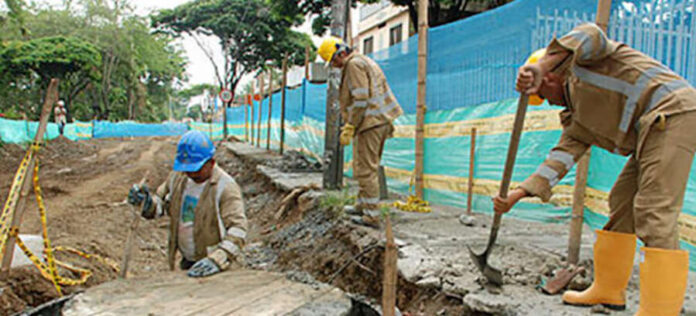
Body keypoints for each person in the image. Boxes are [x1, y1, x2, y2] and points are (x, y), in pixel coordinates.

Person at [493, 23, 696, 315]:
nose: (548, 103)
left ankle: (660, 311)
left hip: (673, 111)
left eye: (543, 95)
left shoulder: (587, 61)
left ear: (550, 77)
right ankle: (609, 290)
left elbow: (590, 32)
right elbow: (559, 161)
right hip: (651, 130)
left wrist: (543, 63)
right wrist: (517, 194)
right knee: (621, 203)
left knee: (655, 212)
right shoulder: (576, 119)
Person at [128, 130, 247, 278]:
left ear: (211, 162)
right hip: (188, 261)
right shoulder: (178, 178)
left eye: (196, 169)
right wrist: (145, 203)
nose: (191, 174)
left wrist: (218, 258)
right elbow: (161, 206)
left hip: (216, 267)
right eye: (187, 169)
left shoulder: (225, 187)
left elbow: (238, 229)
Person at [317, 37, 403, 228]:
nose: (334, 66)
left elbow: (361, 98)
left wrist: (351, 125)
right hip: (378, 121)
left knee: (366, 169)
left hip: (370, 123)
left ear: (340, 54)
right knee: (365, 165)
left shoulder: (354, 65)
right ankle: (362, 205)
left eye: (333, 61)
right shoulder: (363, 60)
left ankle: (371, 216)